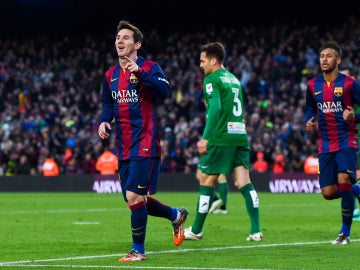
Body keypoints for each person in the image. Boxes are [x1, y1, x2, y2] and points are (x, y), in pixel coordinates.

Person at [97, 20, 188, 262]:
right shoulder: (110, 75)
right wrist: (104, 121)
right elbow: (108, 104)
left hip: (145, 141)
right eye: (118, 37)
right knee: (134, 199)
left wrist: (141, 73)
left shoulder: (150, 67)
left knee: (134, 198)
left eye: (126, 37)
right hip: (123, 146)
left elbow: (164, 91)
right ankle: (175, 215)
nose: (120, 40)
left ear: (137, 44)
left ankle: (138, 250)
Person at [184, 42, 263, 241]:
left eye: (202, 61)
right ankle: (255, 230)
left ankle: (196, 230)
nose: (200, 65)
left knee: (206, 180)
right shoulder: (234, 79)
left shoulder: (212, 78)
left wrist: (205, 138)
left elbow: (215, 109)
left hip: (222, 137)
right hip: (240, 135)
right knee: (243, 182)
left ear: (213, 60)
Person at [305, 40, 360, 245]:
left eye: (329, 56)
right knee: (328, 193)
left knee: (344, 180)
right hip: (325, 143)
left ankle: (344, 233)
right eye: (322, 56)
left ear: (338, 60)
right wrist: (309, 121)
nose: (324, 60)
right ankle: (357, 190)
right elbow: (310, 108)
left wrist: (355, 117)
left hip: (347, 139)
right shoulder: (313, 85)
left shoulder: (349, 84)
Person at [341, 66, 360, 221]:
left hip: (356, 141)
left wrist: (355, 117)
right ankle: (354, 209)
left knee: (352, 176)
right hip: (345, 141)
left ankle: (353, 209)